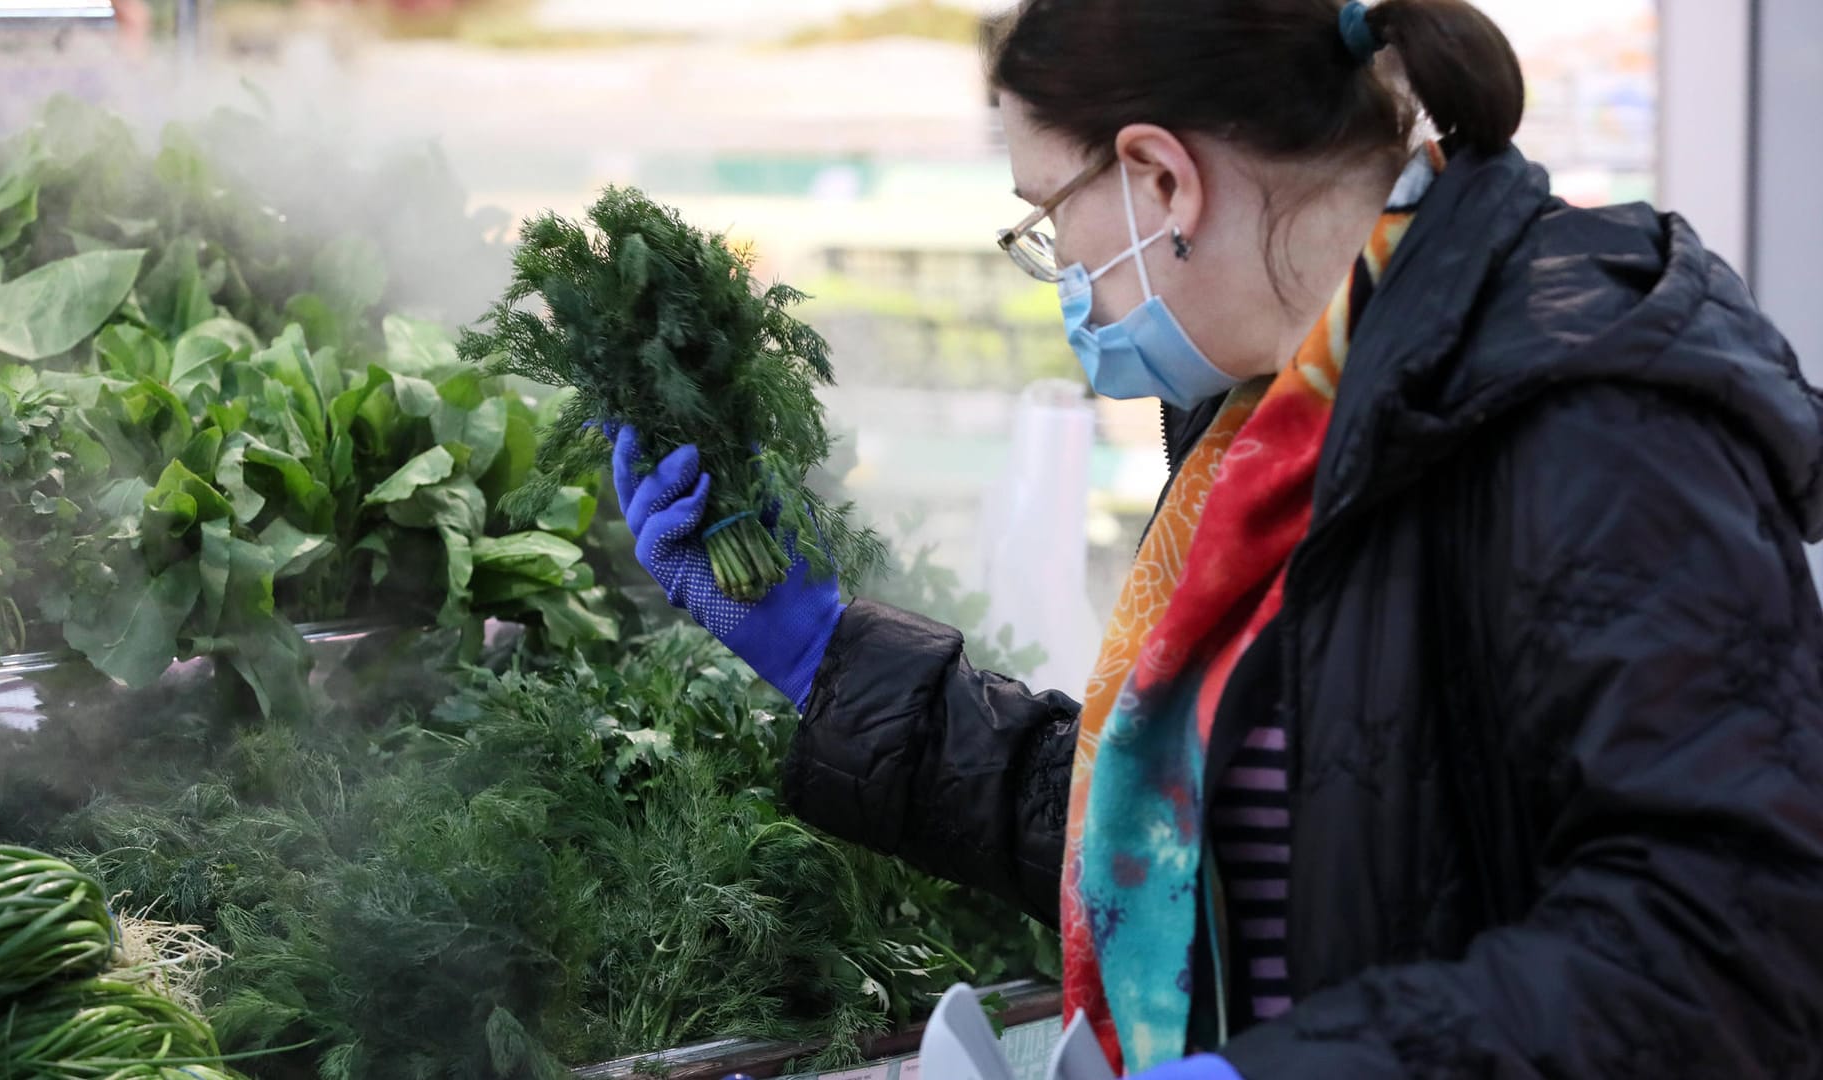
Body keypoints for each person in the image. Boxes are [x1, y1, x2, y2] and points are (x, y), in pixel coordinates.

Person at [606, 0, 1823, 1076]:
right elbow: (1189, 849)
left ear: (1163, 182)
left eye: (1048, 219)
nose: (1064, 270)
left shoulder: (1592, 425)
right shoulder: (1271, 422)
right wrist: (824, 655)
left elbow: (1728, 943)